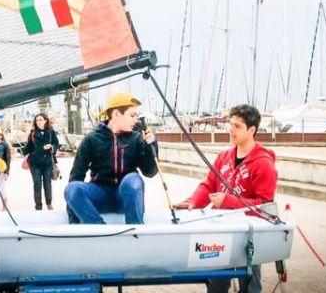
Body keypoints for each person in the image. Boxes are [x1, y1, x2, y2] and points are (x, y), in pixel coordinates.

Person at [173, 105, 277, 293]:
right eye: (230, 124)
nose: (231, 130)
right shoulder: (223, 157)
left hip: (248, 237)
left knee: (250, 285)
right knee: (216, 284)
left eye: (237, 126)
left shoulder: (264, 163)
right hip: (220, 233)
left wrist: (227, 201)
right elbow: (208, 185)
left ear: (252, 130)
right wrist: (192, 201)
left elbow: (265, 206)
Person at [65, 91, 158, 225]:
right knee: (71, 188)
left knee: (133, 179)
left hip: (124, 195)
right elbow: (76, 175)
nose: (136, 120)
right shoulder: (92, 138)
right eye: (132, 115)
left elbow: (150, 172)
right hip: (99, 194)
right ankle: (99, 229)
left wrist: (152, 145)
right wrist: (73, 216)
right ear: (115, 114)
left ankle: (136, 231)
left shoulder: (137, 137)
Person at [23, 113, 60, 210]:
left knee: (47, 183)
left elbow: (56, 144)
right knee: (37, 184)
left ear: (45, 120)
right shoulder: (33, 133)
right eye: (37, 120)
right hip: (35, 163)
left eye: (40, 119)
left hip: (48, 162)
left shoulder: (51, 132)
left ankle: (49, 203)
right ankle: (38, 206)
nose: (38, 122)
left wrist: (52, 147)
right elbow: (28, 148)